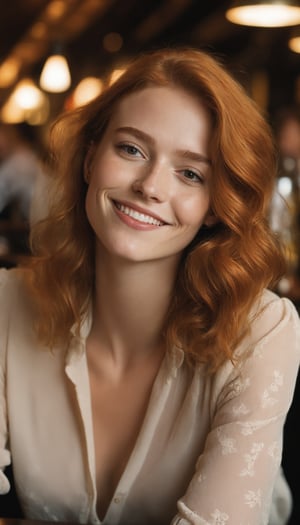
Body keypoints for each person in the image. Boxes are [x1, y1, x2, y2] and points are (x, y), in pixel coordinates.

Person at [0, 47, 299, 525]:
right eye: (132, 149)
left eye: (190, 174)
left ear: (217, 205)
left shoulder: (260, 331)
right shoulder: (6, 305)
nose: (151, 186)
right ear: (90, 158)